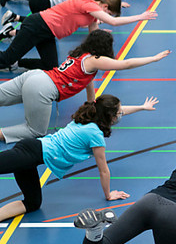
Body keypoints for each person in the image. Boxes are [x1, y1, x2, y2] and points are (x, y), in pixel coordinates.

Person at [0, 29, 168, 141]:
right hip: (43, 88)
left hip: (37, 75)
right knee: (35, 131)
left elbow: (87, 82)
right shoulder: (96, 60)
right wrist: (153, 58)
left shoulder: (81, 54)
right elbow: (126, 64)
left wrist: (91, 103)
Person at [0, 95, 144, 223]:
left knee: (33, 204)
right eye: (118, 113)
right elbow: (103, 170)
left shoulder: (87, 117)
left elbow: (121, 110)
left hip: (33, 155)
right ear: (109, 116)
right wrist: (108, 195)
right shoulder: (95, 135)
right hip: (30, 152)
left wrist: (142, 107)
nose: (121, 115)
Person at [0, 0, 156, 71]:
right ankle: (11, 61)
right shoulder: (88, 3)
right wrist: (140, 17)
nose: (108, 16)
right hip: (38, 26)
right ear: (106, 7)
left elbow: (94, 38)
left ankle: (17, 63)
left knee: (50, 66)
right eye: (109, 13)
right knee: (6, 58)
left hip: (48, 33)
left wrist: (107, 59)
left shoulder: (92, 16)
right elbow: (113, 22)